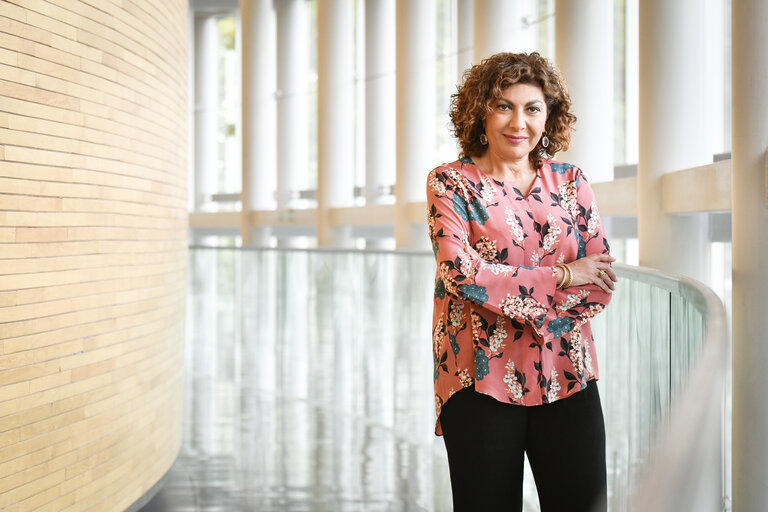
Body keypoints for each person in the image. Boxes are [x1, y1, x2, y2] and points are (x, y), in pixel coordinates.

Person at [426, 51, 617, 512]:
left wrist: (517, 299)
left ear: (548, 115)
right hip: (478, 381)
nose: (519, 121)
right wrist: (564, 275)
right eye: (503, 105)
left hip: (568, 373)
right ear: (480, 113)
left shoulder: (572, 182)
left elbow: (602, 278)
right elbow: (459, 272)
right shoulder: (451, 184)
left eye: (532, 108)